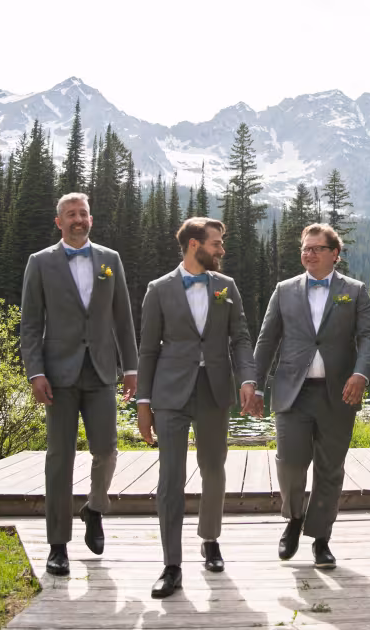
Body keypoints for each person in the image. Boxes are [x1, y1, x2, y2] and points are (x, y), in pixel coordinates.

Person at [137, 217, 256, 599]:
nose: (221, 249)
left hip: (214, 391)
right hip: (169, 394)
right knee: (170, 478)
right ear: (194, 244)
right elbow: (148, 350)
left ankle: (210, 539)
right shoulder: (158, 289)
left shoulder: (227, 287)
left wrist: (247, 379)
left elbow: (239, 337)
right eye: (216, 243)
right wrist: (143, 402)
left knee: (213, 468)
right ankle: (172, 565)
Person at [20, 192, 138, 576]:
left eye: (83, 213)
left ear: (91, 219)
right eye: (70, 214)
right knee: (60, 458)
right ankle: (58, 545)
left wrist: (132, 368)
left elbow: (123, 319)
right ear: (59, 222)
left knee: (106, 449)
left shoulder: (110, 260)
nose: (78, 219)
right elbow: (31, 325)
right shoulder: (40, 263)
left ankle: (95, 507)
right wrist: (35, 372)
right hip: (58, 375)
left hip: (102, 371)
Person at [253, 223, 370, 569]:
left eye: (316, 249)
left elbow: (369, 337)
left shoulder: (354, 292)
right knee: (290, 462)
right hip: (292, 392)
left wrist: (361, 374)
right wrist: (255, 383)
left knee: (329, 468)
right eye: (305, 249)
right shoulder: (284, 290)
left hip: (338, 394)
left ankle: (321, 538)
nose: (308, 254)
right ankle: (294, 519)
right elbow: (267, 341)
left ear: (334, 254)